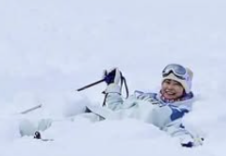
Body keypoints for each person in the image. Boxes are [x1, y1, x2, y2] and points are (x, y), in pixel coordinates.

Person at [23, 63, 201, 147]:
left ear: (185, 88)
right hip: (100, 116)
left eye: (176, 84)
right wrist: (113, 85)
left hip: (113, 131)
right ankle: (17, 128)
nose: (170, 87)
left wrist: (186, 141)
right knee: (53, 123)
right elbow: (116, 106)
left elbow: (175, 129)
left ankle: (43, 143)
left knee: (66, 131)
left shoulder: (178, 111)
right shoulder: (145, 96)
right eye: (167, 82)